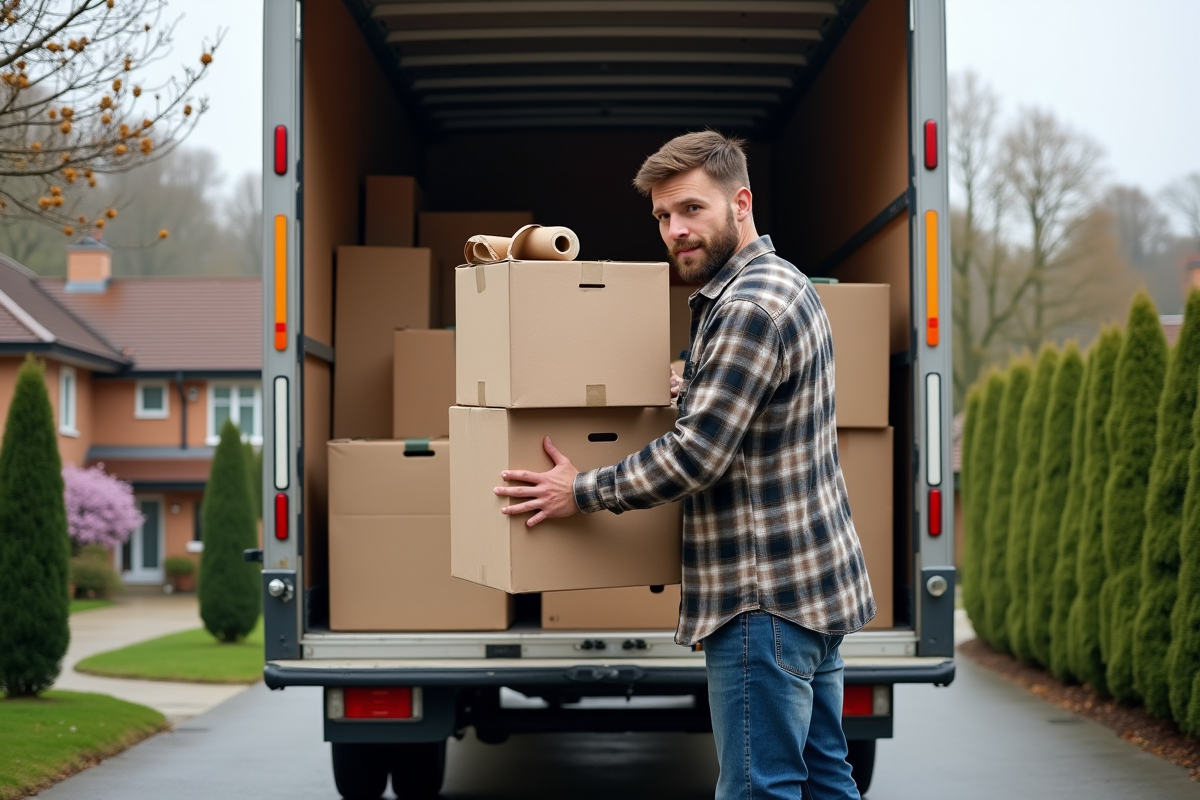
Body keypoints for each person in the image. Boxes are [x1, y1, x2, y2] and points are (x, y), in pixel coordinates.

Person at [493, 131, 875, 800]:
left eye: (692, 210)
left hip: (765, 602)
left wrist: (579, 490)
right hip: (812, 590)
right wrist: (692, 383)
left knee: (760, 788)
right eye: (664, 218)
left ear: (741, 202)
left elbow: (696, 455)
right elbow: (752, 411)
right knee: (823, 782)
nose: (675, 231)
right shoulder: (781, 282)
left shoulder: (746, 309)